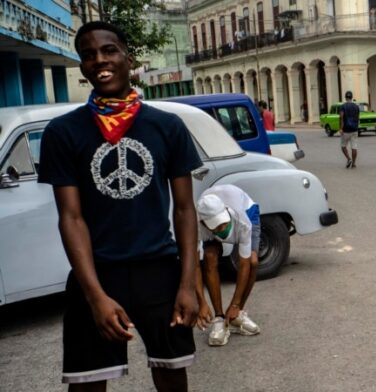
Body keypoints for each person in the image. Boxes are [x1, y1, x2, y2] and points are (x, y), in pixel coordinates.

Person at [38, 21, 201, 391]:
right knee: (88, 382)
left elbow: (185, 209)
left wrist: (188, 284)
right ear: (82, 67)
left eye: (109, 50)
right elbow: (71, 217)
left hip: (159, 271)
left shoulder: (167, 127)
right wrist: (95, 297)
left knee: (172, 373)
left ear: (129, 58)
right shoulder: (63, 132)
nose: (100, 60)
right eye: (89, 55)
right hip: (96, 275)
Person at [195, 185, 261, 346]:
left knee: (252, 261)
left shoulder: (241, 220)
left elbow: (244, 264)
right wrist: (201, 303)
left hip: (247, 209)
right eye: (216, 226)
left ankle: (236, 314)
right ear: (203, 223)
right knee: (210, 257)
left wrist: (235, 304)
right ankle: (219, 318)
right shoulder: (196, 226)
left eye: (223, 223)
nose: (222, 229)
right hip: (208, 220)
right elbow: (194, 266)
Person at [339, 91, 360, 169]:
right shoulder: (356, 106)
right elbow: (358, 118)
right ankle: (354, 163)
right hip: (354, 129)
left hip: (346, 130)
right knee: (354, 147)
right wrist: (357, 127)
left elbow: (341, 118)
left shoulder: (343, 106)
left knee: (343, 146)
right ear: (352, 97)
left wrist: (341, 128)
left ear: (345, 97)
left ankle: (348, 158)